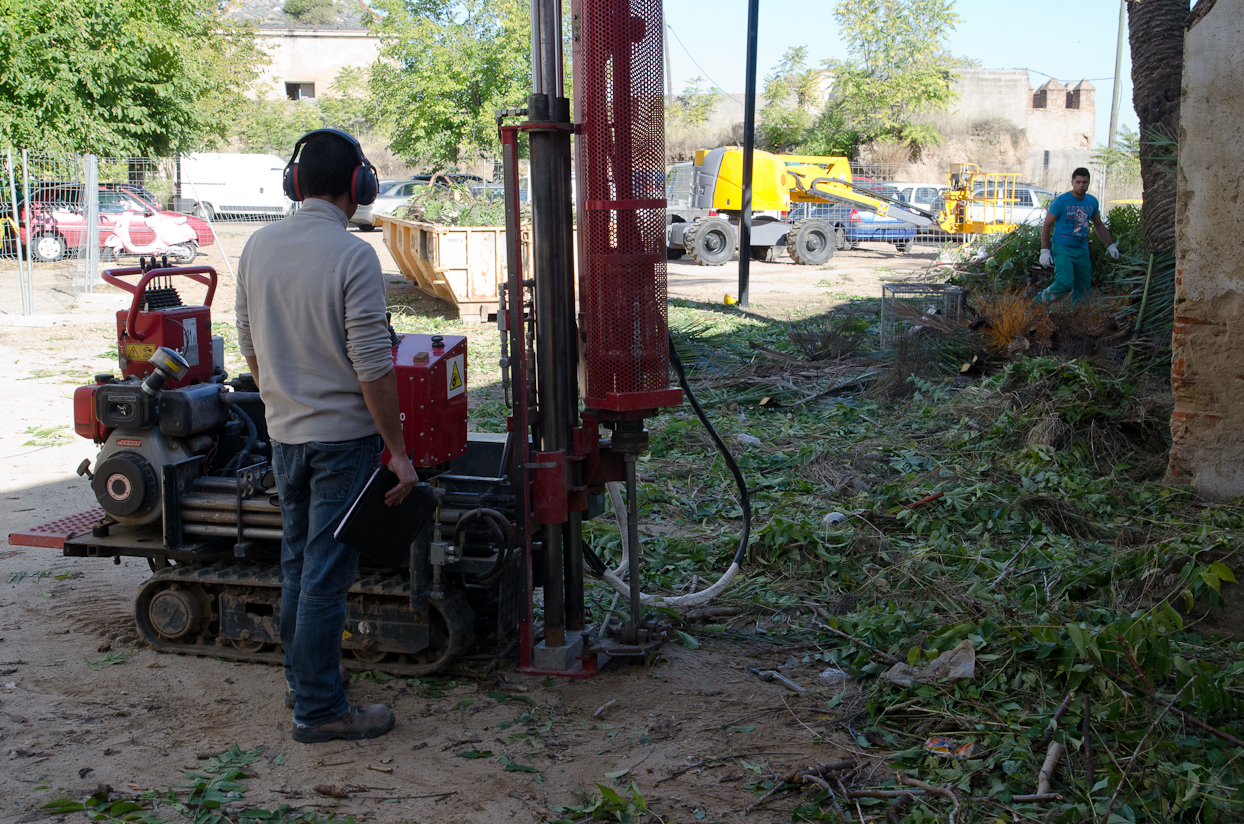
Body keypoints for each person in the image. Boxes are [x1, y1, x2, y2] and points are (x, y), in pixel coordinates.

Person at [236, 129, 418, 743]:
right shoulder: (353, 256)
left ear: (295, 183)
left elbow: (248, 342)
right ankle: (318, 709)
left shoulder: (257, 246)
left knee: (297, 567)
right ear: (358, 185)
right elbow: (372, 364)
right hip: (344, 441)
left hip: (285, 436)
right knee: (325, 576)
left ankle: (303, 680)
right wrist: (397, 452)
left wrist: (279, 404)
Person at [1036, 167, 1119, 303]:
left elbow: (1098, 225)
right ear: (1072, 182)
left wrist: (1111, 245)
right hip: (1062, 247)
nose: (1081, 185)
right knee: (1064, 283)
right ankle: (1037, 302)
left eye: (1085, 182)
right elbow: (1046, 225)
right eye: (1078, 182)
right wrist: (1045, 250)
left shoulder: (1091, 201)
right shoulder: (1061, 201)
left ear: (1089, 183)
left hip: (1082, 249)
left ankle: (1078, 317)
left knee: (1084, 289)